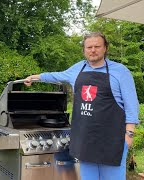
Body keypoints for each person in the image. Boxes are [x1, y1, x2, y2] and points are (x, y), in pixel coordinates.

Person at [24, 32, 139, 180]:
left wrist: (129, 133)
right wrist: (36, 77)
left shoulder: (120, 71)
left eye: (97, 46)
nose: (93, 50)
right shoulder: (78, 68)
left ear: (105, 48)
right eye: (89, 47)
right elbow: (57, 75)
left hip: (112, 139)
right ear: (84, 50)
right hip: (85, 138)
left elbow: (131, 104)